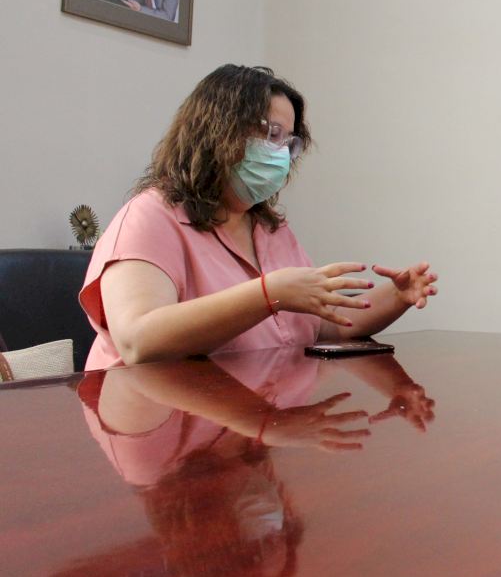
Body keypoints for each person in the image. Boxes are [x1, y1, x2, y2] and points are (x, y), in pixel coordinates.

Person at [79, 64, 438, 369]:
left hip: (248, 416)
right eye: (272, 134)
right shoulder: (150, 217)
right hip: (155, 418)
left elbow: (324, 326)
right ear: (219, 130)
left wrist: (397, 296)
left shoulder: (270, 229)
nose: (282, 154)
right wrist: (269, 294)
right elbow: (139, 342)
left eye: (289, 142)